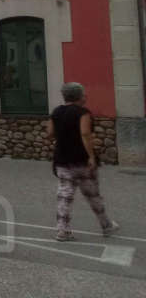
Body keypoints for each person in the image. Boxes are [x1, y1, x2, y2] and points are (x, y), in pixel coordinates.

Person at [47, 82, 119, 241]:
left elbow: (50, 133)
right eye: (84, 93)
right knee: (93, 195)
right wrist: (91, 156)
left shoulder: (56, 112)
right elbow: (85, 134)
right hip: (81, 161)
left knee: (64, 196)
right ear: (79, 96)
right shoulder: (83, 113)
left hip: (62, 160)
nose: (86, 96)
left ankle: (62, 231)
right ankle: (106, 226)